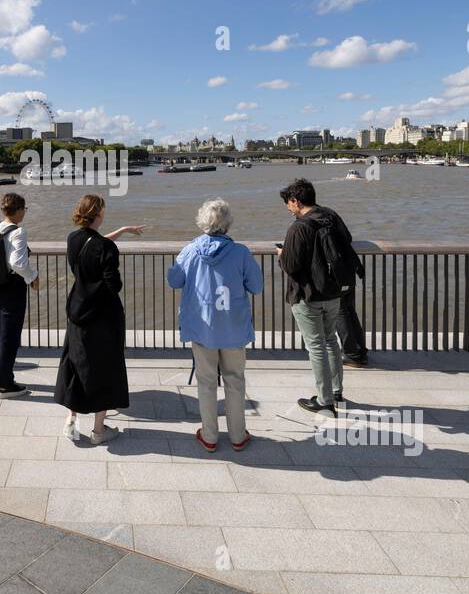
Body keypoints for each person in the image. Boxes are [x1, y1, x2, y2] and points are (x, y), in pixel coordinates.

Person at [167, 199, 263, 452]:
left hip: (202, 327)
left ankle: (209, 436)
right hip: (233, 328)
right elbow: (257, 286)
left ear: (202, 221)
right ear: (228, 223)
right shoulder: (241, 252)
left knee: (206, 382)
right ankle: (238, 435)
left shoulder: (190, 250)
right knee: (235, 381)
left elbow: (174, 280)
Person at [55, 194, 145, 444]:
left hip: (77, 309)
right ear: (99, 213)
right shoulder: (105, 248)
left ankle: (71, 419)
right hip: (102, 315)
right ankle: (98, 430)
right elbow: (113, 284)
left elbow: (94, 244)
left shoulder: (73, 238)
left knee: (76, 363)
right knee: (104, 367)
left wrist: (124, 230)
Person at [274, 178, 358, 416]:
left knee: (316, 347)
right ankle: (337, 392)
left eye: (288, 203)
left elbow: (291, 265)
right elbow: (348, 241)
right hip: (333, 291)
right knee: (331, 340)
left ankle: (324, 401)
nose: (287, 208)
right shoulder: (330, 216)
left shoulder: (299, 227)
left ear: (296, 201)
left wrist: (282, 253)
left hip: (307, 294)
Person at [0, 193, 38, 399]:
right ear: (18, 210)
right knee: (10, 336)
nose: (25, 213)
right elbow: (18, 263)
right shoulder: (18, 232)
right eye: (24, 209)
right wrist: (33, 277)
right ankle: (5, 385)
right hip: (11, 288)